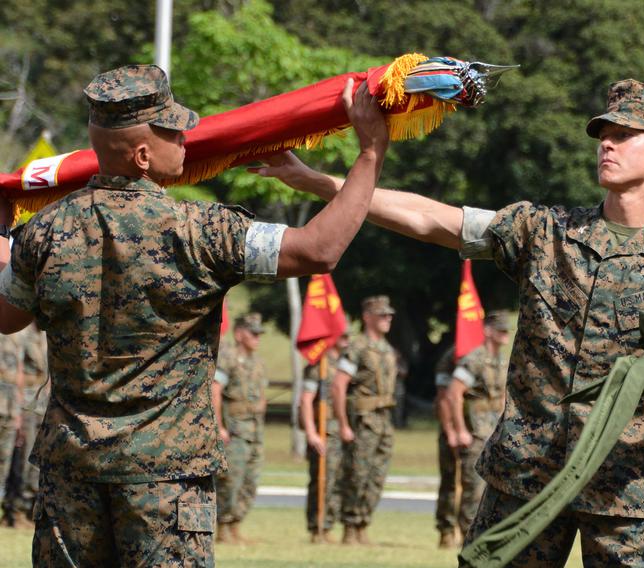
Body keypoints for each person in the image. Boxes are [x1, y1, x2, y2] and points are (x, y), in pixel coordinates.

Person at [253, 78, 644, 566]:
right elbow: (433, 219)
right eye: (603, 134)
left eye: (625, 134)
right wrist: (324, 184)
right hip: (528, 475)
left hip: (632, 489)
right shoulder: (544, 232)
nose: (608, 145)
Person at [0, 63, 389, 566]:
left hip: (69, 474)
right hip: (163, 482)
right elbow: (319, 250)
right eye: (172, 130)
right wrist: (370, 152)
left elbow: (7, 318)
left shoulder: (44, 234)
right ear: (143, 155)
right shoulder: (199, 231)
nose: (186, 137)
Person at [333, 295, 397, 545]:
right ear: (367, 317)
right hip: (363, 421)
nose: (387, 318)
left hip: (384, 420)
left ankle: (363, 524)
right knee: (357, 474)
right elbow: (338, 387)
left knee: (377, 476)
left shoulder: (387, 349)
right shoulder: (357, 347)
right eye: (382, 315)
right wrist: (343, 424)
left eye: (389, 315)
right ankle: (350, 526)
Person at [447, 311, 510, 539]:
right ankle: (467, 536)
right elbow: (454, 394)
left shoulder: (503, 361)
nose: (505, 334)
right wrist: (459, 430)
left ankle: (485, 536)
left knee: (492, 490)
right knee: (473, 488)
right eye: (500, 329)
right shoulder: (473, 359)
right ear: (488, 331)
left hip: (496, 433)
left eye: (506, 330)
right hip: (475, 433)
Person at [212, 312, 267, 544]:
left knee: (250, 480)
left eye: (258, 333)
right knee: (230, 480)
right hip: (233, 430)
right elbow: (215, 391)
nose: (257, 337)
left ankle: (236, 524)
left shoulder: (258, 363)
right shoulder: (228, 358)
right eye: (252, 333)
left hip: (254, 431)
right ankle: (223, 526)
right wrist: (219, 427)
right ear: (239, 333)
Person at [300, 330, 350, 543]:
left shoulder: (344, 364)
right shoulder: (319, 366)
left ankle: (329, 525)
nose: (347, 341)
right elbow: (306, 400)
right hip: (324, 433)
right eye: (343, 336)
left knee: (338, 481)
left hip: (340, 432)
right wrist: (311, 433)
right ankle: (317, 527)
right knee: (322, 481)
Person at [1, 323, 47, 529]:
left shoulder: (44, 335)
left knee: (25, 462)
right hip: (17, 404)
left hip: (26, 406)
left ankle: (21, 510)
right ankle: (13, 510)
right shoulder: (19, 333)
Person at [433, 344, 459, 548]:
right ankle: (447, 531)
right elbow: (444, 396)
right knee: (450, 482)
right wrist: (450, 430)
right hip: (454, 432)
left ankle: (468, 531)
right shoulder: (452, 356)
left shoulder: (490, 356)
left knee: (475, 487)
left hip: (480, 431)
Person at [0, 332, 22, 528]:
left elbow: (17, 380)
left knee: (5, 462)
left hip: (9, 410)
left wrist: (18, 414)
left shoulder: (14, 339)